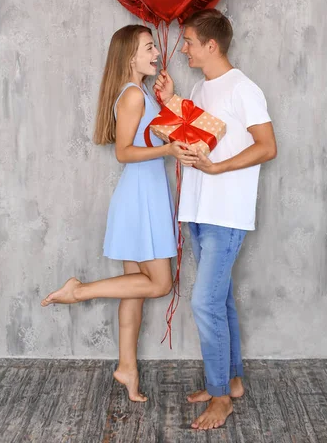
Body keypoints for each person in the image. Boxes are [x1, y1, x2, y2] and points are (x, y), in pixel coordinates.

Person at [41, 24, 198, 402]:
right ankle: (79, 291)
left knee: (136, 292)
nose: (157, 54)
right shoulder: (131, 97)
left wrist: (167, 99)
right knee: (159, 284)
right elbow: (124, 152)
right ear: (129, 55)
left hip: (145, 193)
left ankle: (127, 367)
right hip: (140, 195)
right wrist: (168, 151)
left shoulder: (140, 93)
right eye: (148, 48)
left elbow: (148, 137)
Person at [154, 9, 277, 430]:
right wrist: (171, 101)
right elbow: (201, 133)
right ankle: (232, 381)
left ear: (211, 45)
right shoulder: (202, 87)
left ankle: (221, 398)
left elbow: (267, 146)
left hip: (226, 213)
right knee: (220, 300)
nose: (182, 48)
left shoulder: (244, 88)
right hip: (199, 211)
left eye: (187, 41)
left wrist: (218, 170)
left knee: (204, 302)